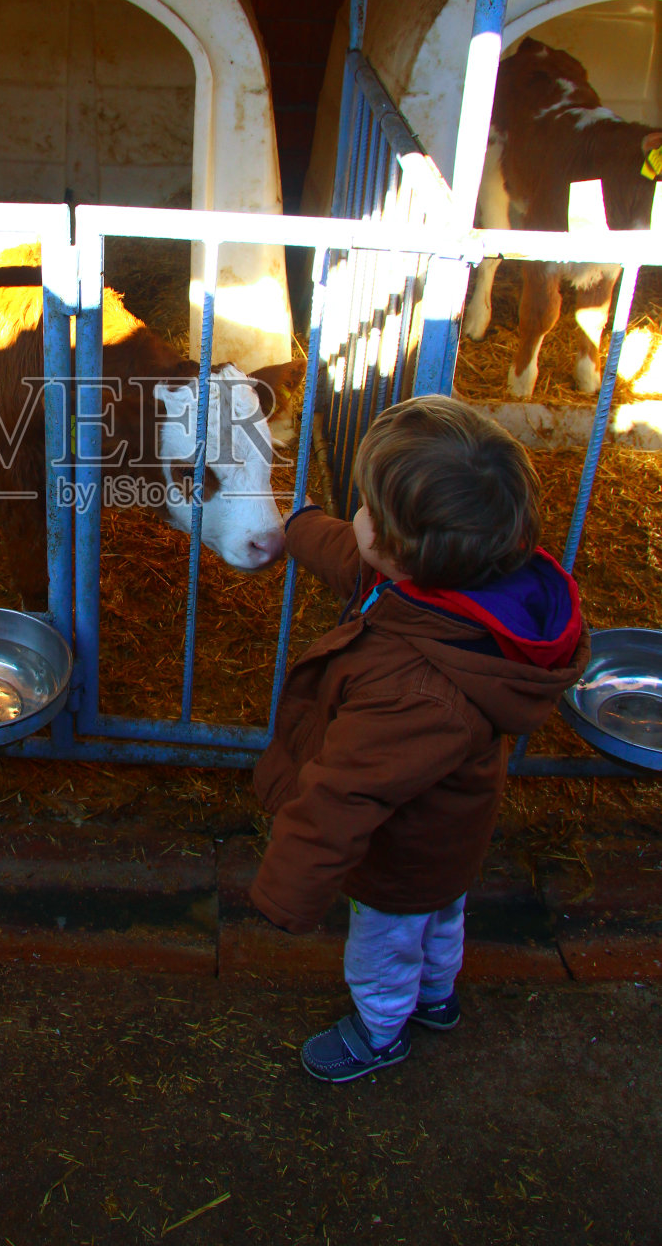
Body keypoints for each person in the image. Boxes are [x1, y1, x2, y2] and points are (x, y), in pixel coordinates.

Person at [251, 394, 590, 1084]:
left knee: (385, 944)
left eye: (367, 511)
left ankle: (380, 1031)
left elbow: (345, 794)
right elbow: (351, 556)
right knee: (440, 920)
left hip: (399, 853)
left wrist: (289, 887)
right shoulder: (467, 586)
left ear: (397, 550)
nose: (357, 517)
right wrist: (301, 524)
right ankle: (436, 997)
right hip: (453, 833)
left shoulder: (415, 693)